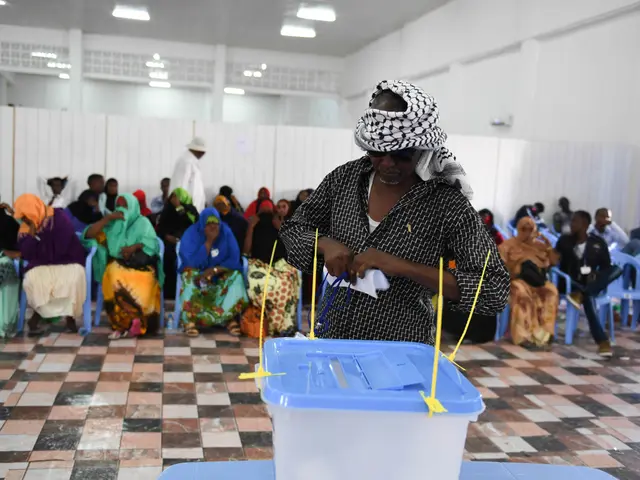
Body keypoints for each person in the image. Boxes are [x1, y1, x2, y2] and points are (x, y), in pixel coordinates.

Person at [279, 80, 509, 343]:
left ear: (423, 149)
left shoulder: (446, 204)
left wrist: (401, 266)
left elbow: (492, 288)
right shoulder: (344, 180)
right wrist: (324, 244)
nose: (387, 163)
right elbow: (293, 230)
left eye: (401, 155)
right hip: (333, 338)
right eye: (377, 152)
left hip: (402, 350)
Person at [83, 193, 163, 339]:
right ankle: (122, 323)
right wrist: (107, 218)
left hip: (141, 266)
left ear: (132, 206)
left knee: (143, 281)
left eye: (124, 205)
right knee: (113, 274)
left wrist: (134, 247)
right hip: (118, 264)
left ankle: (140, 322)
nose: (121, 209)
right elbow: (89, 235)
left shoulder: (142, 222)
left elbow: (152, 245)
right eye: (118, 205)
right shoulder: (113, 223)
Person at [13, 194, 86, 335]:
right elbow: (26, 252)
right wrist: (33, 236)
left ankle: (70, 317)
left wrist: (41, 248)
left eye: (27, 215)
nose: (25, 219)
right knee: (34, 279)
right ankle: (38, 315)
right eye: (23, 216)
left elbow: (62, 245)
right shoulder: (25, 226)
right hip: (42, 261)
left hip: (67, 258)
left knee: (71, 278)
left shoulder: (59, 217)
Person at [555, 211, 621, 357]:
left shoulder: (597, 242)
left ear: (584, 224)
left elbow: (606, 267)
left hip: (591, 282)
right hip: (570, 282)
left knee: (616, 269)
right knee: (589, 297)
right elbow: (555, 260)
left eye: (575, 222)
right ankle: (603, 342)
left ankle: (582, 294)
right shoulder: (565, 241)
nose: (571, 225)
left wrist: (595, 274)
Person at [178, 208, 248, 337]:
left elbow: (234, 258)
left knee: (236, 277)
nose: (212, 226)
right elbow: (189, 261)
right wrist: (209, 242)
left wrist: (215, 270)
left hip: (219, 273)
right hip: (197, 273)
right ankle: (190, 320)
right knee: (188, 276)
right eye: (208, 223)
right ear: (202, 223)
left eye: (215, 223)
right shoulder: (192, 233)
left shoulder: (226, 232)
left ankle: (227, 317)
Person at [242, 200, 301, 337]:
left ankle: (282, 325)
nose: (266, 214)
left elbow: (293, 250)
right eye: (263, 210)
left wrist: (280, 228)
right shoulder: (254, 224)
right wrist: (251, 227)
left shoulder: (283, 224)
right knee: (260, 282)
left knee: (286, 283)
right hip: (259, 265)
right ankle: (270, 323)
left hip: (278, 265)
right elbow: (245, 251)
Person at [498, 217, 559, 347]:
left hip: (538, 281)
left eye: (530, 229)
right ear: (518, 229)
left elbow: (553, 262)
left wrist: (548, 246)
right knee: (522, 295)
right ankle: (523, 336)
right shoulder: (507, 245)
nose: (527, 232)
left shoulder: (540, 246)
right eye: (523, 229)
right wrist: (517, 264)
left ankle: (545, 333)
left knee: (552, 292)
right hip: (516, 280)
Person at [157, 188, 199, 299]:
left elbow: (190, 224)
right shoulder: (167, 210)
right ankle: (168, 295)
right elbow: (160, 229)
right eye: (172, 196)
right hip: (168, 245)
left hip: (187, 246)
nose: (173, 199)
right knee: (167, 261)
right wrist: (166, 236)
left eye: (176, 197)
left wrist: (178, 207)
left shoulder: (191, 210)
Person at [0, 204, 20, 338]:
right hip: (5, 257)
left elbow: (25, 235)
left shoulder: (9, 221)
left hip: (5, 259)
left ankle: (5, 326)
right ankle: (5, 326)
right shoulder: (9, 221)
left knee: (5, 267)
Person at [171, 138, 206, 212]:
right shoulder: (186, 162)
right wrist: (179, 209)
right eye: (202, 151)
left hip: (193, 209)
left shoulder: (192, 161)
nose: (203, 154)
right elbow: (179, 187)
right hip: (186, 210)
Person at [213, 195, 248, 259]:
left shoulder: (238, 219)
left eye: (221, 204)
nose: (220, 206)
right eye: (217, 205)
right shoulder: (216, 218)